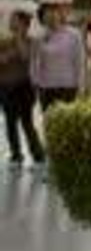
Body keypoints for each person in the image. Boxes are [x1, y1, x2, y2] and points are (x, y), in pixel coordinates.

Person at [0, 10, 45, 169]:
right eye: (11, 20)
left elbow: (26, 57)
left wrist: (18, 39)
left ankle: (38, 155)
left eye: (14, 20)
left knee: (27, 122)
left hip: (24, 87)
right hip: (5, 87)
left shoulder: (32, 41)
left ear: (24, 24)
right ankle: (16, 155)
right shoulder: (4, 41)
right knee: (10, 123)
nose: (10, 22)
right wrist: (10, 55)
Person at [31, 2, 85, 110]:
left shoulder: (74, 34)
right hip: (46, 87)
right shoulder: (39, 37)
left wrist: (81, 85)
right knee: (48, 121)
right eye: (47, 14)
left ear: (59, 14)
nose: (51, 16)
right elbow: (35, 63)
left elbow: (79, 61)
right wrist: (35, 83)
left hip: (68, 86)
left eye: (54, 12)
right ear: (42, 19)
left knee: (67, 122)